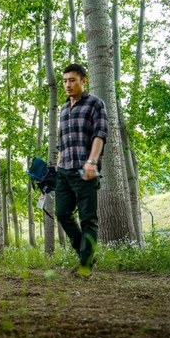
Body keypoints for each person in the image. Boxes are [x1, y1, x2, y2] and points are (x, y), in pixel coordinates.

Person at [56, 63, 108, 270]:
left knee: (88, 219)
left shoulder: (95, 104)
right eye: (65, 81)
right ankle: (85, 254)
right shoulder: (63, 109)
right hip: (64, 171)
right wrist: (57, 166)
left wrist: (92, 162)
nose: (68, 85)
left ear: (83, 81)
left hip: (86, 170)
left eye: (72, 80)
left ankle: (85, 264)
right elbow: (62, 142)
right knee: (62, 213)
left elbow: (100, 134)